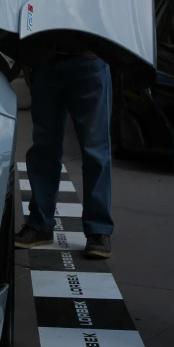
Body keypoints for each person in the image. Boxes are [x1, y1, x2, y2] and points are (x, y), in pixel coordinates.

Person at [15, 46, 113, 259]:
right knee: (44, 148)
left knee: (95, 151)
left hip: (87, 60)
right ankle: (40, 225)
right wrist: (27, 60)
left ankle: (98, 230)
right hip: (46, 62)